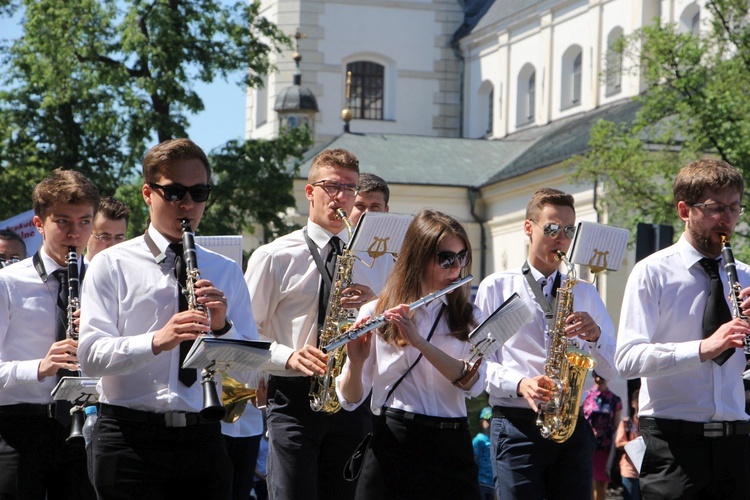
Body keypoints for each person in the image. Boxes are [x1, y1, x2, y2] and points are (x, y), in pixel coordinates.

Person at [78, 138, 259, 499]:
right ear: (148, 193)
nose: (189, 204)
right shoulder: (111, 264)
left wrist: (223, 327)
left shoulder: (225, 270)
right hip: (128, 438)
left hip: (203, 436)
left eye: (200, 192)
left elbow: (250, 373)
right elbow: (91, 356)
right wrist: (157, 341)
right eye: (175, 192)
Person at [615, 159, 750, 499]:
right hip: (672, 444)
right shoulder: (652, 273)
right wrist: (704, 348)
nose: (728, 220)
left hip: (737, 441)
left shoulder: (746, 276)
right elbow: (628, 359)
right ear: (683, 210)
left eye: (734, 208)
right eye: (716, 208)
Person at [474, 187, 618, 500]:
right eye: (552, 229)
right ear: (529, 228)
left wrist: (596, 337)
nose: (561, 239)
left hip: (571, 425)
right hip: (516, 425)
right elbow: (478, 362)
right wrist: (520, 382)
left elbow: (613, 367)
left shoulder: (585, 293)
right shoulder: (498, 287)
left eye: (569, 230)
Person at [245, 148, 370, 500]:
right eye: (331, 186)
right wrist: (288, 357)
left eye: (349, 189)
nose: (341, 197)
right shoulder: (273, 256)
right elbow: (246, 332)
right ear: (310, 191)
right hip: (294, 396)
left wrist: (375, 300)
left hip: (350, 394)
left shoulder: (367, 257)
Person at [337, 208, 485, 499]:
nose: (456, 267)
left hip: (451, 442)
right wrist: (355, 362)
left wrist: (419, 342)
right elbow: (351, 399)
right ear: (418, 258)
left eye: (462, 256)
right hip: (396, 439)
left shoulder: (468, 316)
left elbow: (475, 384)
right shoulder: (375, 312)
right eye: (446, 258)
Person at [0, 168, 99, 499]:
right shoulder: (8, 283)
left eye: (85, 222)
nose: (75, 233)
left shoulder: (105, 283)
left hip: (86, 426)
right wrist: (40, 367)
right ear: (39, 224)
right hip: (18, 429)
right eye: (63, 222)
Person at [342, 172, 393, 311]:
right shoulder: (331, 242)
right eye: (360, 205)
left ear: (386, 211)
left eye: (375, 207)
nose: (367, 213)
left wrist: (374, 301)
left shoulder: (390, 255)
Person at [582, 371, 622, 500]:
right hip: (587, 443)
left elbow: (616, 425)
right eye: (596, 376)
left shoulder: (615, 400)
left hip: (605, 445)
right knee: (590, 482)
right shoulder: (585, 396)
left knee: (602, 483)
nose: (599, 379)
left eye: (602, 376)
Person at [85, 196, 130, 261]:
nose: (112, 245)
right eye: (104, 237)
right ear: (87, 235)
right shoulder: (70, 270)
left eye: (119, 238)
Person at [615, 389, 641, 500]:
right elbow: (618, 443)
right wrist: (637, 444)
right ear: (633, 403)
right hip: (630, 471)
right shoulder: (626, 422)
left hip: (646, 473)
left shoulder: (650, 424)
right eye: (638, 401)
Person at [474, 407, 495, 500]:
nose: (490, 423)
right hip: (481, 482)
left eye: (493, 420)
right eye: (488, 420)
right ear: (481, 422)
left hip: (494, 483)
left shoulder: (497, 441)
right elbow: (473, 459)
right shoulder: (479, 439)